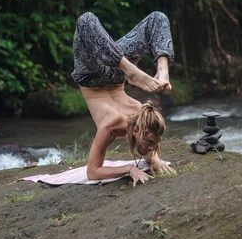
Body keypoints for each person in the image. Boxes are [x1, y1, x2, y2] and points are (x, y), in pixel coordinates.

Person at [71, 11, 177, 186]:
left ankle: (151, 71)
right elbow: (92, 172)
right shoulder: (112, 124)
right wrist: (130, 169)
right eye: (151, 143)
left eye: (155, 145)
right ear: (135, 131)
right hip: (96, 75)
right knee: (86, 20)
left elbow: (148, 143)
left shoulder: (142, 115)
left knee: (157, 18)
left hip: (106, 68)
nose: (152, 149)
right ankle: (146, 72)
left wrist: (154, 159)